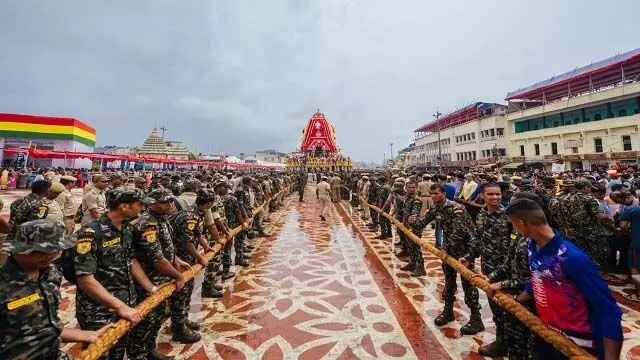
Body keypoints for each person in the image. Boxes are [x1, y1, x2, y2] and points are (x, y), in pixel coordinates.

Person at [507, 198, 623, 359]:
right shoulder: (532, 246)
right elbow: (539, 277)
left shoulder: (571, 258)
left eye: (513, 224)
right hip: (547, 333)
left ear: (521, 223)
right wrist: (517, 300)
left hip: (577, 344)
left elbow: (609, 311)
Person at [0, 220, 113, 360]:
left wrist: (87, 335)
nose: (51, 256)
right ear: (22, 249)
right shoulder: (4, 282)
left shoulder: (51, 273)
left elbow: (46, 326)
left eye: (57, 249)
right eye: (44, 251)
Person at [74, 188, 152, 360]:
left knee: (117, 352)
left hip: (125, 304)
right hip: (98, 310)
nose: (142, 209)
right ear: (124, 206)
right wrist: (119, 306)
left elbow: (130, 260)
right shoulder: (91, 233)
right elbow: (85, 279)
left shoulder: (125, 228)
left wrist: (150, 288)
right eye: (139, 205)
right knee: (98, 354)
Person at [409, 184, 484, 335]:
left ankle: (477, 319)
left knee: (468, 284)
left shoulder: (456, 208)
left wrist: (445, 248)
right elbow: (422, 222)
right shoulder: (436, 208)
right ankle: (448, 311)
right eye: (432, 194)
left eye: (437, 193)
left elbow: (459, 232)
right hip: (449, 251)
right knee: (449, 282)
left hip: (465, 251)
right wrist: (413, 220)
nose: (434, 196)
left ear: (443, 193)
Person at [129, 189, 191, 360]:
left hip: (160, 279)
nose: (170, 204)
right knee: (145, 321)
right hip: (149, 280)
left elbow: (166, 247)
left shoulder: (162, 220)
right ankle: (138, 354)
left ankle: (150, 350)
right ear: (152, 203)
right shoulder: (147, 224)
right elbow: (157, 259)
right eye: (165, 202)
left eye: (171, 201)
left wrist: (176, 259)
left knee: (156, 318)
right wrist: (178, 276)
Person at [462, 182, 511, 357]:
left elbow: (514, 248)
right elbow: (478, 238)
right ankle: (502, 342)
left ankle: (507, 344)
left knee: (508, 311)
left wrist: (500, 273)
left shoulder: (507, 216)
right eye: (490, 194)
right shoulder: (482, 214)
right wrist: (469, 256)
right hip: (488, 269)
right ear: (482, 195)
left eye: (497, 194)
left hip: (506, 272)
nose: (495, 197)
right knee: (497, 310)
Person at [169, 189, 215, 343]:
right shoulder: (191, 216)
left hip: (187, 257)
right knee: (180, 293)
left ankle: (184, 318)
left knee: (188, 289)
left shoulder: (196, 214)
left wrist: (206, 246)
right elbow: (187, 243)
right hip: (180, 258)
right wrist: (200, 257)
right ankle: (178, 328)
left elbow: (198, 235)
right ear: (209, 203)